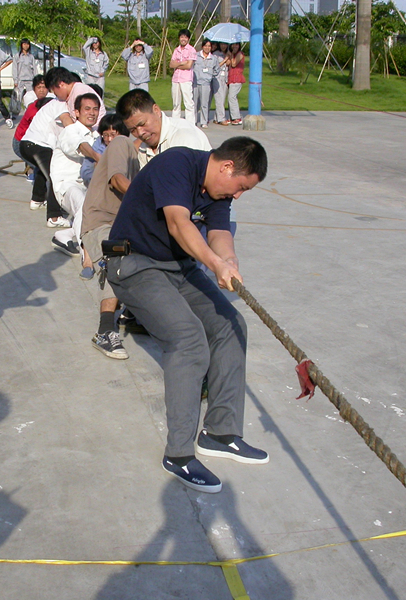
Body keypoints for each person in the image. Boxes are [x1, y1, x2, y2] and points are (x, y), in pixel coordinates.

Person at [105, 137, 269, 493]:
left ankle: (221, 433)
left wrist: (229, 263)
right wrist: (213, 264)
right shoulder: (177, 164)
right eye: (241, 187)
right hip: (132, 264)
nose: (238, 195)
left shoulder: (219, 192)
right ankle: (178, 454)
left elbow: (220, 233)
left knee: (231, 325)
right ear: (227, 168)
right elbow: (179, 224)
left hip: (177, 267)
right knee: (187, 338)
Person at [80, 128, 139, 359]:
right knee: (117, 258)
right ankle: (105, 331)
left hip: (123, 225)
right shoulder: (121, 143)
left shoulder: (143, 157)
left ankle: (133, 315)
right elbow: (117, 180)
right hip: (101, 223)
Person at [49, 92, 101, 257]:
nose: (91, 113)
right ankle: (88, 253)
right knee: (84, 205)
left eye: (95, 109)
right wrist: (99, 157)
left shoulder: (98, 135)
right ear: (76, 112)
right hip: (66, 185)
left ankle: (64, 236)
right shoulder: (70, 131)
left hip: (88, 186)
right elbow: (81, 146)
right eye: (87, 109)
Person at [115, 89, 210, 169]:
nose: (140, 133)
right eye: (132, 130)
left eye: (143, 124)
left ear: (156, 110)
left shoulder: (184, 137)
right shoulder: (144, 147)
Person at [19, 96, 68, 222]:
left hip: (26, 144)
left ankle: (37, 199)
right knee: (55, 176)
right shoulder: (61, 106)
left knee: (43, 170)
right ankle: (54, 217)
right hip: (39, 146)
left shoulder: (52, 105)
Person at [12, 75, 50, 181]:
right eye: (39, 87)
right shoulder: (33, 108)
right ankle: (32, 174)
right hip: (21, 143)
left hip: (32, 141)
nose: (42, 90)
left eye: (44, 87)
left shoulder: (49, 103)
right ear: (34, 89)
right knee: (42, 166)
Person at [169, 28, 196, 123]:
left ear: (188, 39)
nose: (183, 39)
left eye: (185, 37)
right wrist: (182, 63)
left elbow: (189, 65)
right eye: (181, 37)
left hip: (186, 79)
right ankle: (175, 123)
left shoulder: (191, 50)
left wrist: (178, 64)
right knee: (176, 103)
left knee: (188, 103)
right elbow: (171, 64)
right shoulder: (176, 50)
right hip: (176, 79)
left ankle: (190, 124)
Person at [193, 40, 220, 129]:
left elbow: (217, 70)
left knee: (205, 103)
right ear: (202, 46)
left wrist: (210, 76)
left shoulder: (213, 58)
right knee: (195, 103)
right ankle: (193, 120)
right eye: (205, 46)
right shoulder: (196, 56)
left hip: (206, 83)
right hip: (196, 83)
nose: (207, 48)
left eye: (209, 46)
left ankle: (204, 121)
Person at [12, 38, 35, 111]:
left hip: (30, 80)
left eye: (27, 44)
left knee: (30, 97)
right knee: (18, 97)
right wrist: (15, 80)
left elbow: (34, 68)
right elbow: (15, 68)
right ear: (21, 45)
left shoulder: (31, 57)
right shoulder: (17, 56)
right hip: (20, 80)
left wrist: (35, 79)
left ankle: (29, 111)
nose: (26, 46)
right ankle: (16, 111)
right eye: (24, 44)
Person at [226, 42, 245, 125]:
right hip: (231, 77)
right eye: (233, 44)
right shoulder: (232, 54)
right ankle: (232, 116)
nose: (235, 46)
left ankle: (237, 117)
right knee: (230, 98)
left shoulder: (240, 54)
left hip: (237, 78)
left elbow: (234, 64)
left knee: (232, 97)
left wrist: (230, 55)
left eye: (237, 45)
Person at [212, 41, 230, 125]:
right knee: (219, 97)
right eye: (222, 44)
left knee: (222, 99)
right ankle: (221, 118)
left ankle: (216, 118)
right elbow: (216, 66)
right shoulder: (216, 54)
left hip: (225, 78)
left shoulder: (227, 54)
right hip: (217, 77)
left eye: (225, 44)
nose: (223, 46)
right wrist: (225, 60)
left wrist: (229, 57)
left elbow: (230, 64)